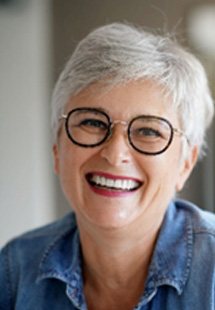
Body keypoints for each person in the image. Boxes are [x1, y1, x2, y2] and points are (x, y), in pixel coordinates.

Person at [0, 23, 214, 310]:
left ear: (185, 163)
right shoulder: (16, 269)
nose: (115, 154)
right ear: (57, 149)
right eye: (92, 122)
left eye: (149, 131)